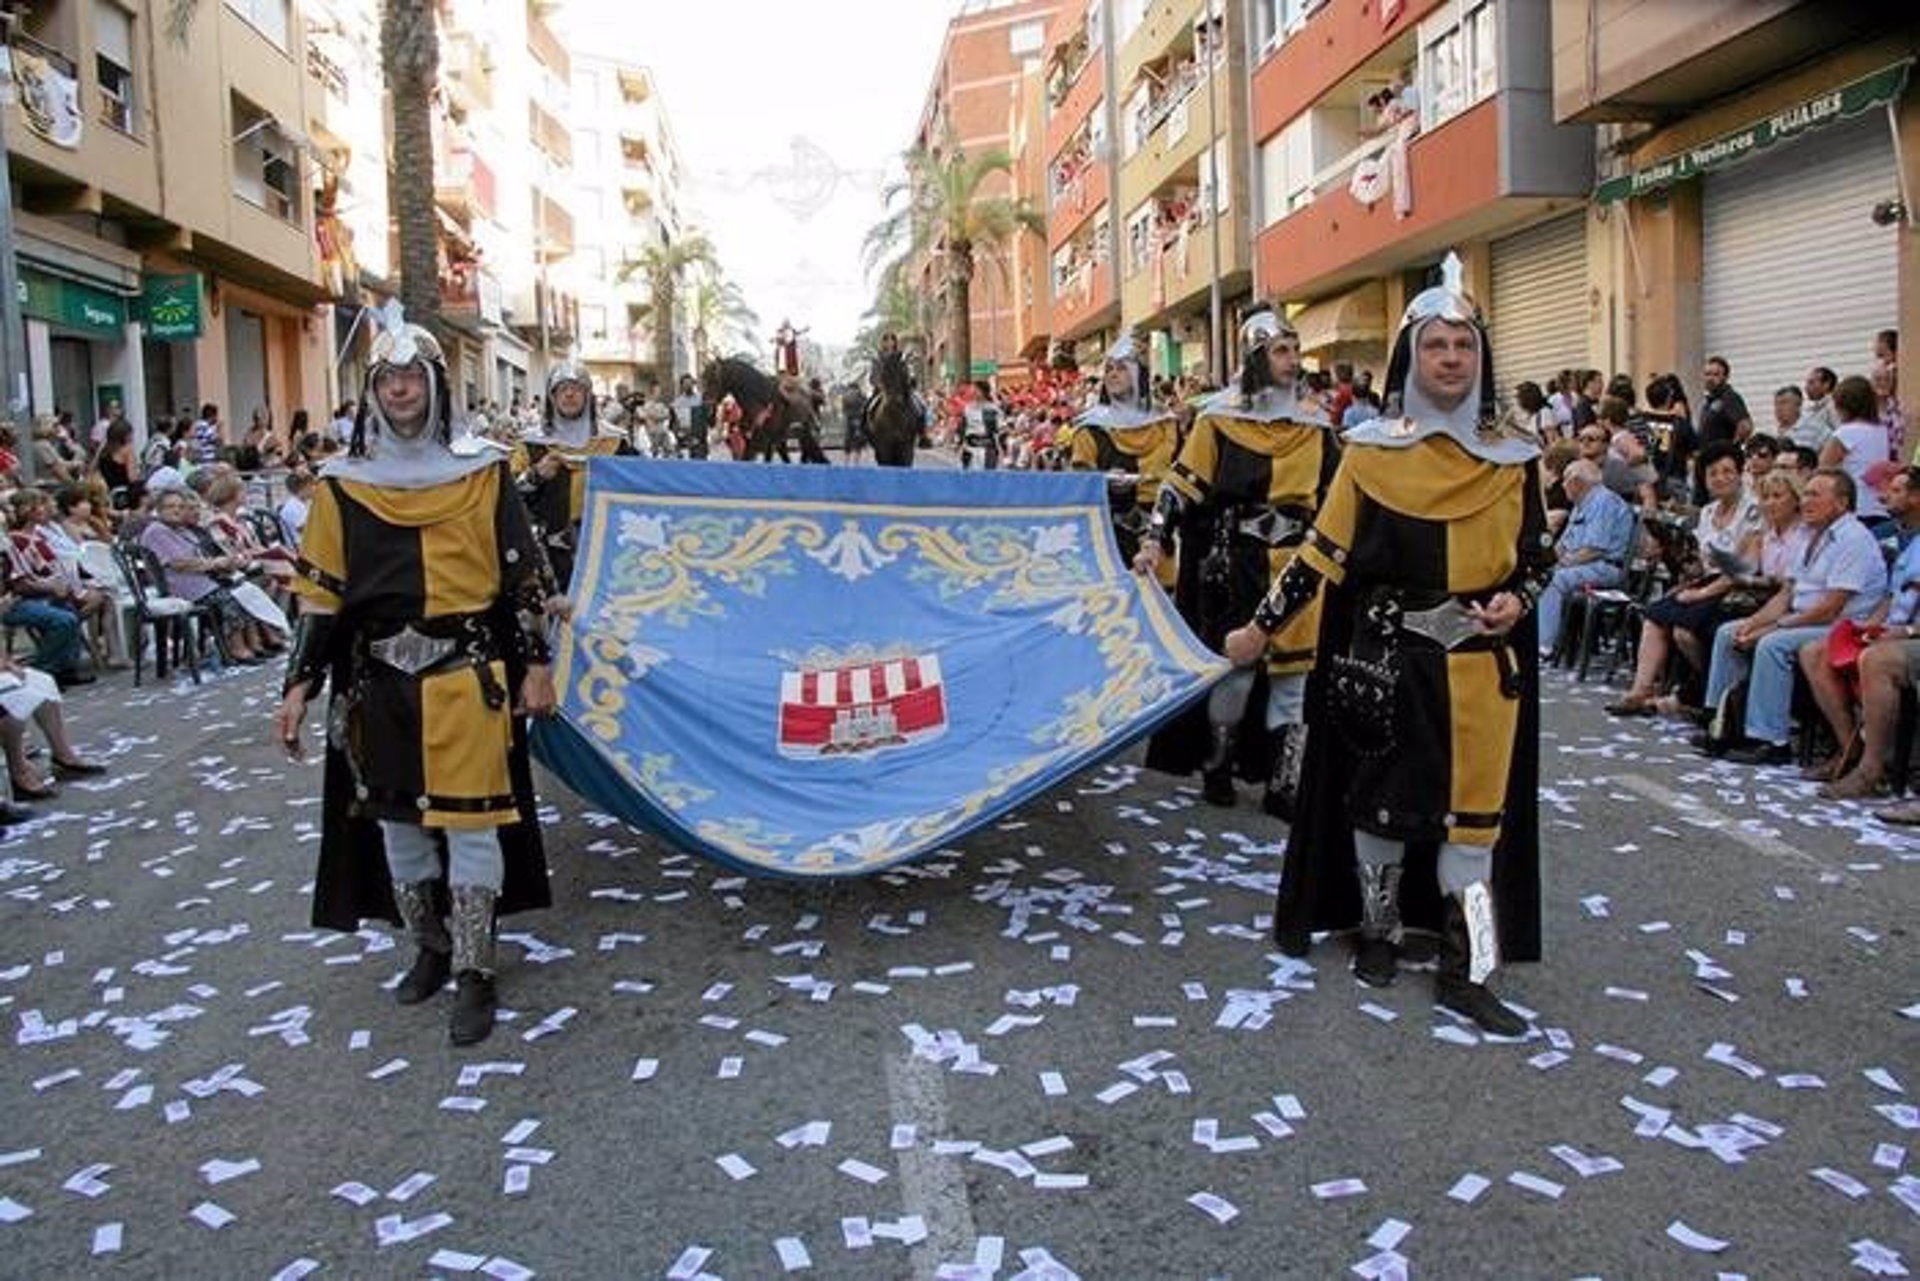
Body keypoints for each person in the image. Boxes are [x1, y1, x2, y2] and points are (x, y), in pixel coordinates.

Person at [1223, 253, 1551, 1034]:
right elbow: (1319, 557)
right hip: (1387, 662)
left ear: (1481, 358)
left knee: (1475, 824)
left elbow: (1538, 556)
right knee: (1380, 814)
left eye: (1463, 346)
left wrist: (1518, 599)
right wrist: (1257, 629)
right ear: (1411, 358)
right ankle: (1378, 932)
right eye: (1436, 346)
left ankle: (1467, 971)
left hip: (1479, 667)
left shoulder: (1517, 457)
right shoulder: (1370, 452)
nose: (1450, 359)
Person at [273, 305, 560, 1046]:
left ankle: (476, 968)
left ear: (436, 384)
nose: (400, 389)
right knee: (400, 824)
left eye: (412, 376)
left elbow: (521, 575)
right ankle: (429, 944)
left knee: (470, 824)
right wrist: (298, 684)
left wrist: (536, 665)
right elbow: (321, 591)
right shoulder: (341, 484)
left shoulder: (483, 470)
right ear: (373, 390)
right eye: (387, 377)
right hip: (378, 682)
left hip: (466, 672)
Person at [1137, 309, 1336, 817]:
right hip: (1241, 562)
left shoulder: (1315, 425)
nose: (1293, 360)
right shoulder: (1220, 420)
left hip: (1299, 565)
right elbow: (1178, 485)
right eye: (1281, 350)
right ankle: (1219, 764)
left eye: (1295, 349)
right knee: (1238, 674)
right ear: (1256, 357)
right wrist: (1156, 538)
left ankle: (1283, 781)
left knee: (1294, 681)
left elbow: (1339, 499)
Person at [1699, 469, 1887, 765]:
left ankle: (1770, 739)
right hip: (1804, 617)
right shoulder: (1811, 535)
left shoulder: (1854, 539)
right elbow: (1787, 594)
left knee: (1773, 644)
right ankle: (1719, 723)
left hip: (1839, 627)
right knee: (1729, 632)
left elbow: (1831, 607)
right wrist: (1754, 622)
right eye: (1806, 493)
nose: (1805, 501)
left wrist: (1774, 626)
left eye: (1815, 494)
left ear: (1841, 502)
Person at [1607, 441, 1763, 716]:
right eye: (1713, 473)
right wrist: (1676, 557)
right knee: (1656, 614)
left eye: (1728, 471)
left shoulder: (1753, 511)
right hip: (1708, 580)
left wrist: (1700, 593)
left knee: (1683, 630)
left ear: (1740, 474)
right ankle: (1641, 689)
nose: (1721, 478)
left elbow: (1741, 569)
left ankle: (1707, 690)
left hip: (1739, 586)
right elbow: (1701, 563)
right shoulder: (1708, 512)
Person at [1802, 465, 1920, 795]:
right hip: (1897, 627)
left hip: (1912, 635)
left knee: (1877, 660)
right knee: (1816, 650)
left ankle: (1873, 770)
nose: (1884, 496)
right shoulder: (1911, 542)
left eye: (1897, 490)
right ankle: (1848, 749)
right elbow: (1893, 596)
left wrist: (1907, 631)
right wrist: (1873, 623)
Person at [1064, 333, 1179, 577]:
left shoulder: (1167, 424)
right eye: (1109, 369)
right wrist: (1104, 481)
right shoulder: (1091, 430)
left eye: (1121, 369)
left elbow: (1182, 478)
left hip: (1161, 536)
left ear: (1140, 374)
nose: (1112, 375)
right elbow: (1077, 486)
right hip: (1110, 540)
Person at [515, 360, 632, 589]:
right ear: (552, 396)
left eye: (576, 388)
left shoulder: (615, 442)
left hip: (605, 543)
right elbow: (508, 495)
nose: (569, 394)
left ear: (588, 395)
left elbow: (638, 488)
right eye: (562, 388)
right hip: (547, 548)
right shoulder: (531, 443)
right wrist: (535, 475)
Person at [1536, 458, 1635, 658]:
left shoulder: (1602, 501)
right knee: (1537, 573)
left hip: (1606, 567)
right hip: (1585, 565)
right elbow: (1562, 546)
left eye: (1565, 480)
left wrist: (1560, 565)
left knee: (1555, 578)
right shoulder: (1581, 503)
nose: (1562, 485)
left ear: (1577, 482)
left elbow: (1594, 550)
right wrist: (1544, 562)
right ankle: (1537, 636)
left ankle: (1544, 645)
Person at [1819, 375, 1891, 521]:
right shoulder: (1883, 430)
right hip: (1881, 507)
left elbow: (1823, 469)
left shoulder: (1845, 433)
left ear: (1844, 406)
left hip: (1855, 507)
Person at [1697, 357, 1751, 446]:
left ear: (1725, 377)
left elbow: (1745, 426)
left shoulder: (1729, 397)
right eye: (1707, 374)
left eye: (1716, 374)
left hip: (1721, 457)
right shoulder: (1709, 401)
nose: (1710, 378)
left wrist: (1731, 449)